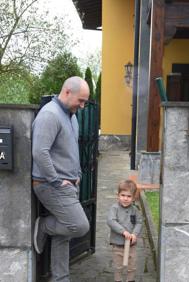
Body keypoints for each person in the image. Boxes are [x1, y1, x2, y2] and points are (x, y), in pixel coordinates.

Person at [32, 76, 90, 282]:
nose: (82, 106)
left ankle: (60, 278)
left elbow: (69, 150)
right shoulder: (49, 115)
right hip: (50, 185)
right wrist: (56, 180)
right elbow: (40, 152)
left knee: (63, 235)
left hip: (67, 183)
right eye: (81, 101)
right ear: (67, 92)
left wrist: (78, 175)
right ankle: (45, 225)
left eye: (85, 102)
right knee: (80, 226)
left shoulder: (71, 116)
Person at [107, 180, 142, 282]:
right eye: (123, 195)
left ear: (133, 197)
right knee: (118, 266)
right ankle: (118, 280)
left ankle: (130, 280)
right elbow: (111, 221)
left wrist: (134, 234)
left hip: (132, 245)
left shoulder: (135, 210)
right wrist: (123, 231)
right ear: (118, 195)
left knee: (132, 265)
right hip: (118, 244)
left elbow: (139, 223)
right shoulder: (114, 208)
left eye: (129, 196)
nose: (125, 199)